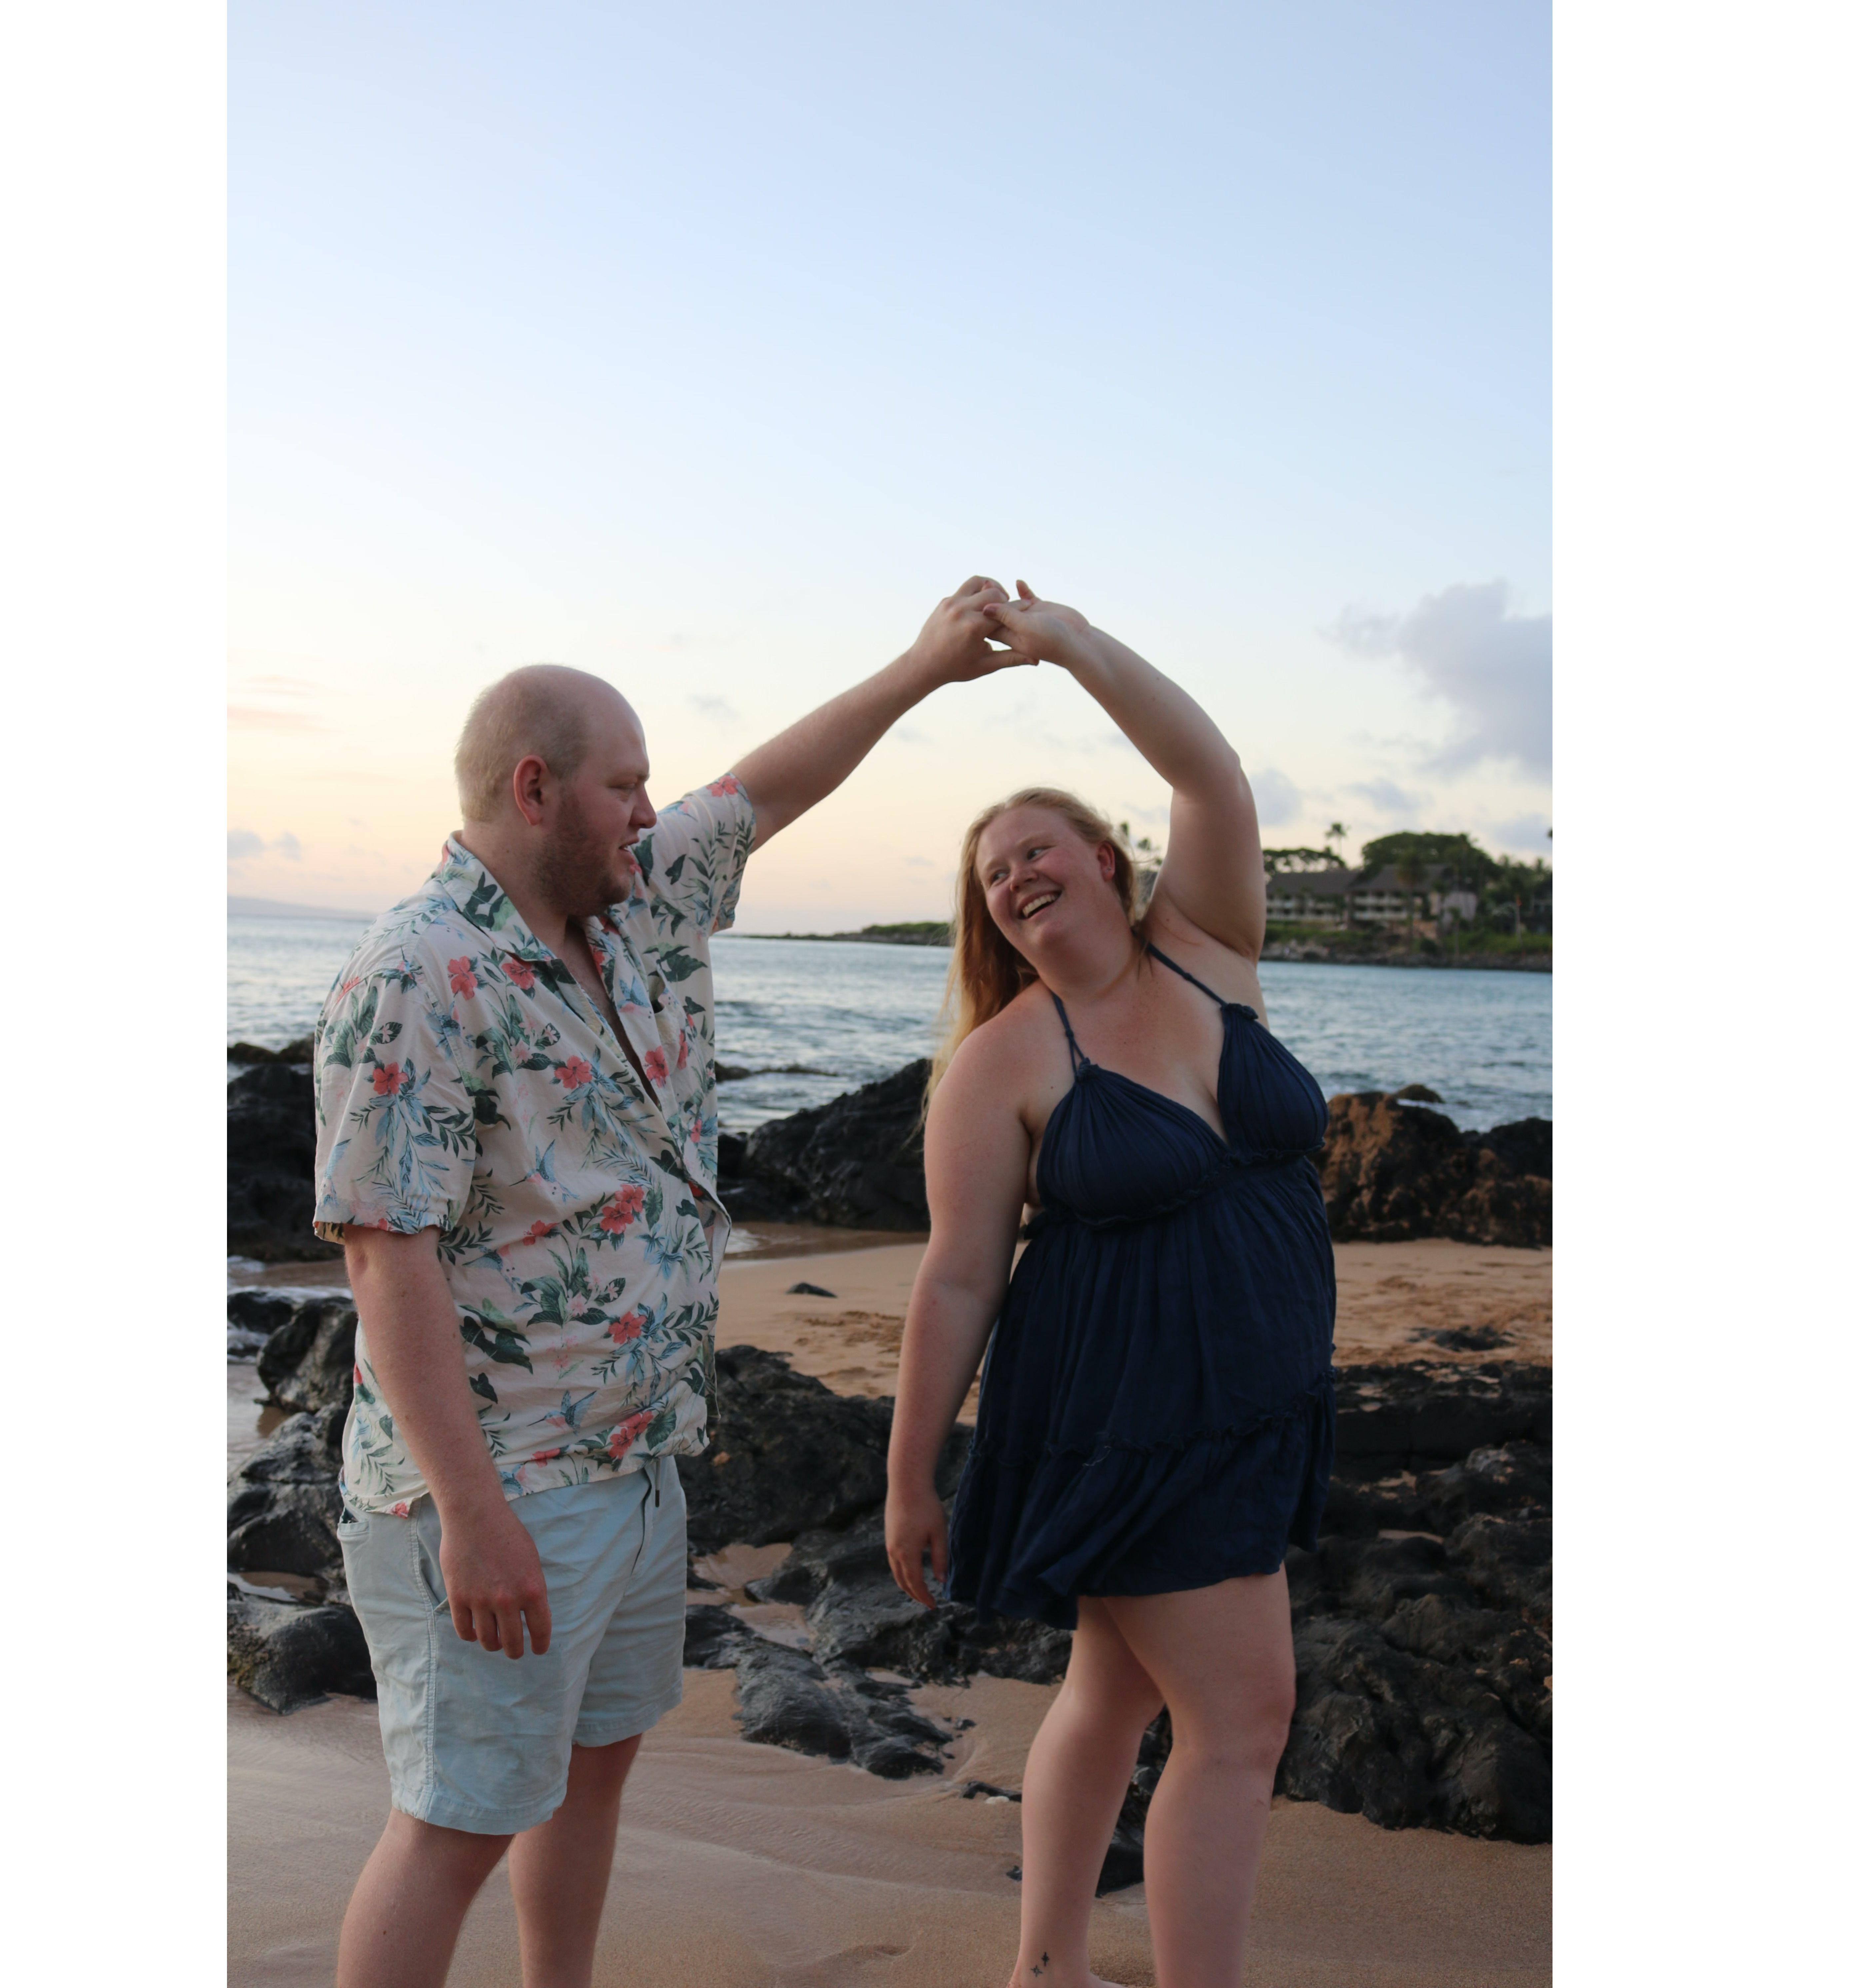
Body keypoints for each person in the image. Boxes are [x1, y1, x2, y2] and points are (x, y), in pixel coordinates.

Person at [312, 578, 1027, 1988]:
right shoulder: (422, 973)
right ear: (537, 787)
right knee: (456, 1823)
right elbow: (387, 1262)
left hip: (638, 1463)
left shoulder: (632, 906)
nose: (650, 809)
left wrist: (927, 668)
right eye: (624, 783)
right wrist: (471, 1516)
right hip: (499, 1483)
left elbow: (767, 786)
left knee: (593, 1774)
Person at [883, 585, 1336, 1988]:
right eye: (992, 876)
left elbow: (1211, 771)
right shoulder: (1004, 1063)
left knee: (1119, 1684)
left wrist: (1072, 645)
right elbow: (956, 1282)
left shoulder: (1211, 951)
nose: (1017, 877)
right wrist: (909, 1481)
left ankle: (1047, 1968)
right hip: (1123, 1413)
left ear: (1103, 855)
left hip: (1254, 1398)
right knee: (1245, 1719)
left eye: (1037, 849)